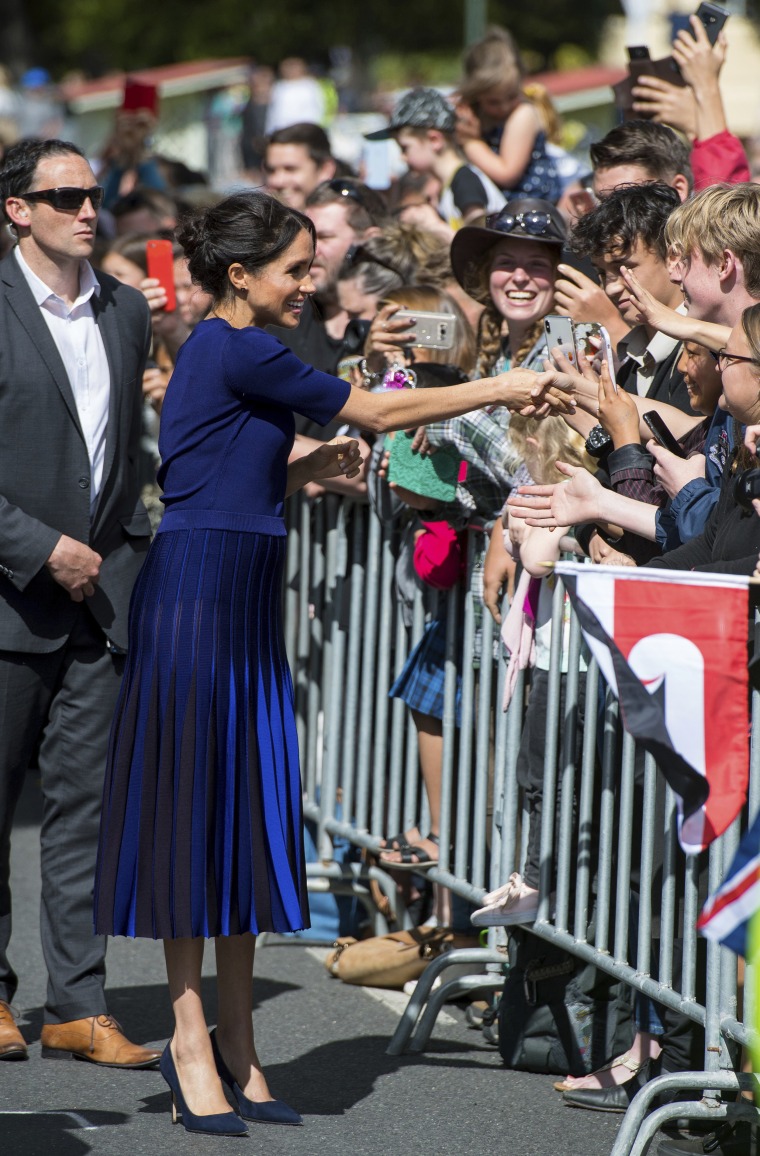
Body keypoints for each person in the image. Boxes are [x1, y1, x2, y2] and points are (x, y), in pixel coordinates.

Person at [92, 188, 574, 1134]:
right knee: (198, 817)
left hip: (230, 584)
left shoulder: (226, 350)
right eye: (293, 269)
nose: (310, 281)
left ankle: (240, 1038)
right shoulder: (239, 344)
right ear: (240, 277)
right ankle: (192, 1033)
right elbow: (372, 411)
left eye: (312, 264)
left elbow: (205, 469)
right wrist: (501, 386)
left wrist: (304, 471)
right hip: (197, 596)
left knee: (238, 811)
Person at [0, 138, 160, 1066]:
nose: (88, 209)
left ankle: (77, 1004)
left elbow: (124, 460)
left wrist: (118, 557)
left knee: (85, 812)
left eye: (94, 193)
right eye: (65, 196)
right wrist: (35, 547)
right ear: (17, 208)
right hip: (9, 597)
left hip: (100, 604)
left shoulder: (126, 309)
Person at [364, 87, 505, 229]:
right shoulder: (448, 184)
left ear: (434, 140)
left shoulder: (464, 181)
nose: (402, 157)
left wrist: (434, 225)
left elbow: (478, 238)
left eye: (405, 147)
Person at [455, 29, 562, 204]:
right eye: (493, 102)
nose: (504, 107)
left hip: (531, 207)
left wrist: (470, 142)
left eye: (512, 96)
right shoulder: (473, 112)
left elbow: (507, 174)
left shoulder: (522, 114)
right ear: (476, 95)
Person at [263, 122, 337, 212]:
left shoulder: (350, 221)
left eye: (290, 169)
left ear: (325, 170)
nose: (278, 181)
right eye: (271, 170)